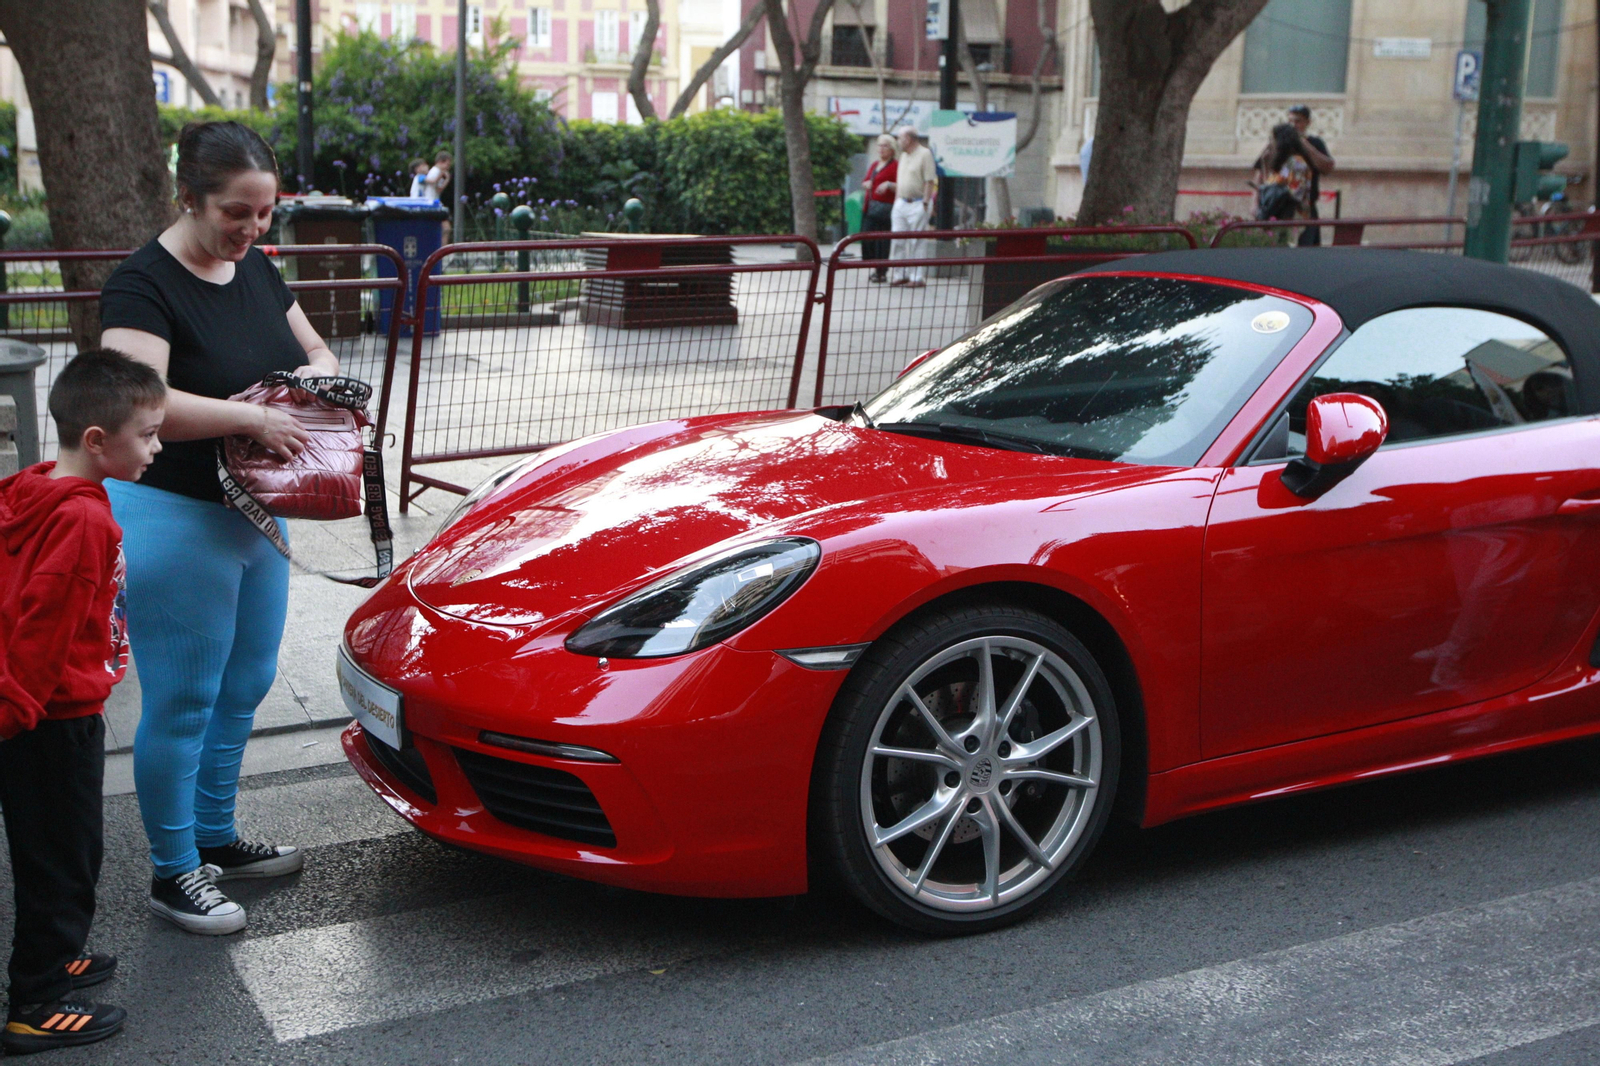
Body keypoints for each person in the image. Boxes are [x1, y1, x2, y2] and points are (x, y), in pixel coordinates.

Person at [98, 120, 338, 935]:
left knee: (243, 688)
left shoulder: (257, 269)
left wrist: (315, 383)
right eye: (238, 213)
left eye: (266, 214)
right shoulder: (142, 285)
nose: (253, 231)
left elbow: (313, 348)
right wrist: (252, 415)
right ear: (188, 198)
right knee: (185, 699)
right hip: (175, 512)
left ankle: (213, 837)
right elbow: (143, 401)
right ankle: (173, 872)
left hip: (257, 514)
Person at [0, 350, 168, 1054]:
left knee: (53, 852)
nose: (158, 448)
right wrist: (16, 713)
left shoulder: (30, 488)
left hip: (37, 712)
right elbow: (44, 626)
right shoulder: (86, 523)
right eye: (148, 434)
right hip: (49, 716)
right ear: (97, 440)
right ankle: (35, 1000)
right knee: (65, 859)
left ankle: (53, 953)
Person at [889, 128, 938, 288]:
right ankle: (899, 274)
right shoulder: (903, 156)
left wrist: (925, 202)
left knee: (917, 241)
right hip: (901, 202)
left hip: (918, 202)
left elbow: (929, 180)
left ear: (908, 139)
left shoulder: (925, 154)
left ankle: (917, 277)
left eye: (899, 138)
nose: (897, 141)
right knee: (897, 240)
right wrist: (897, 201)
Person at [1285, 105, 1335, 246]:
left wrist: (1304, 144)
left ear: (1308, 122)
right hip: (1282, 208)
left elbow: (1327, 167)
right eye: (1290, 121)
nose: (1293, 125)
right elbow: (1262, 169)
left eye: (1298, 121)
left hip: (1306, 208)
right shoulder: (1280, 141)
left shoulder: (1315, 143)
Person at [1254, 123, 1313, 237]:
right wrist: (1265, 165)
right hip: (1278, 219)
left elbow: (1295, 194)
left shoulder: (1296, 162)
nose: (1271, 143)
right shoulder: (1286, 164)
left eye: (1272, 139)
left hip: (1290, 219)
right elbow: (1273, 185)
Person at [861, 134, 898, 283]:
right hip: (870, 207)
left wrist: (888, 184)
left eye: (885, 145)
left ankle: (881, 270)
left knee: (882, 241)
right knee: (867, 237)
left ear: (892, 149)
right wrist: (866, 184)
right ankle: (873, 264)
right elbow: (865, 180)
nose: (881, 148)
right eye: (879, 145)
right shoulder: (874, 164)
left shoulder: (896, 166)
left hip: (885, 209)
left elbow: (900, 186)